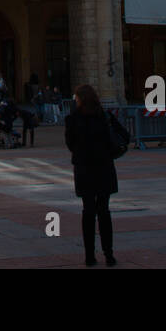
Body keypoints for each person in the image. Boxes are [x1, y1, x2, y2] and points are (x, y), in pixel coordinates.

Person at [64, 84, 118, 267]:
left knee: (88, 212)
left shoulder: (73, 119)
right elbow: (116, 139)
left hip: (84, 169)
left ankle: (89, 256)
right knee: (104, 211)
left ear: (79, 99)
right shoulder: (104, 116)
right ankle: (109, 255)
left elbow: (70, 143)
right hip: (104, 167)